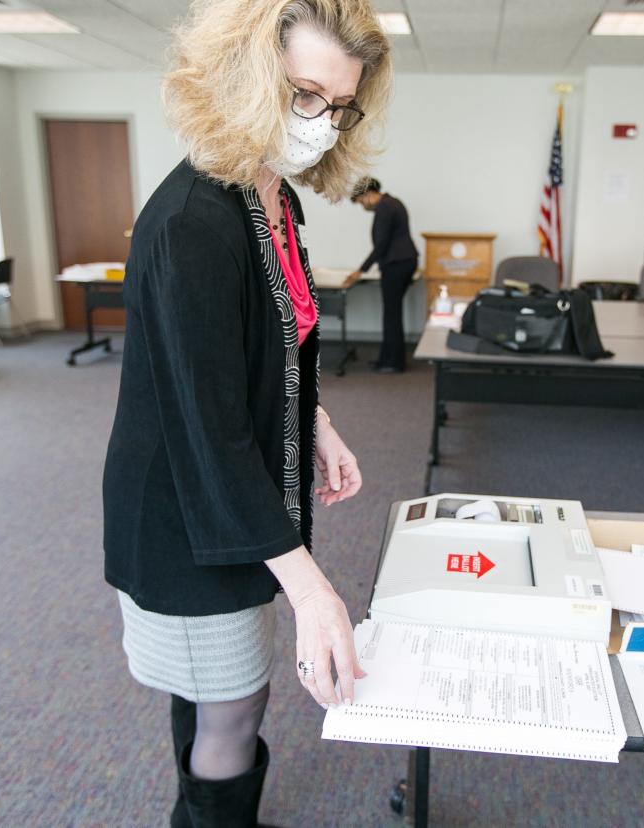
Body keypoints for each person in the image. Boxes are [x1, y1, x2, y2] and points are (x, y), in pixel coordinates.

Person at [101, 2, 391, 825]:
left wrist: (318, 421)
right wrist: (313, 592)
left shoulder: (275, 200)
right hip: (185, 507)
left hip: (236, 487)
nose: (322, 124)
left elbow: (279, 342)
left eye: (339, 106)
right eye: (305, 94)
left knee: (214, 694)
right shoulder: (195, 222)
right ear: (243, 76)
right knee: (232, 707)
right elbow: (211, 432)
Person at [350, 177, 418, 372]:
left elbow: (382, 245)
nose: (363, 206)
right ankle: (386, 358)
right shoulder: (393, 203)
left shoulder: (384, 208)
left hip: (396, 264)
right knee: (392, 312)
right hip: (405, 262)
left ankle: (394, 362)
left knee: (391, 314)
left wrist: (360, 270)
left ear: (368, 194)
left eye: (361, 201)